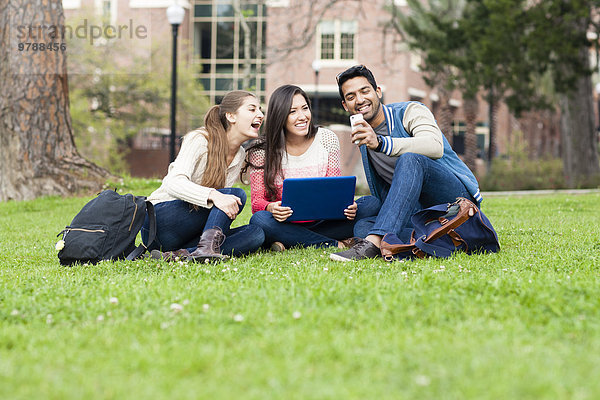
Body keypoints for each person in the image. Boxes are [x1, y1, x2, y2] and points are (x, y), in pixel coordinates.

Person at [330, 65, 483, 261]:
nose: (359, 100)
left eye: (364, 91)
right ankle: (444, 240)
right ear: (345, 105)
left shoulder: (410, 111)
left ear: (378, 92)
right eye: (351, 97)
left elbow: (434, 146)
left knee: (411, 159)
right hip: (420, 212)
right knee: (363, 224)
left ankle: (376, 242)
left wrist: (381, 143)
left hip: (455, 201)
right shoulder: (364, 135)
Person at [245, 84, 380, 250]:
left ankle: (291, 241)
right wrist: (270, 207)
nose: (302, 116)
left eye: (305, 108)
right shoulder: (261, 150)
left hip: (327, 222)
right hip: (284, 223)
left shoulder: (326, 139)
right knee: (260, 220)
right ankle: (331, 243)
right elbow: (256, 202)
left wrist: (347, 205)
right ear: (279, 115)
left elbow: (334, 188)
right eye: (292, 111)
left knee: (371, 203)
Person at [141, 90, 265, 262]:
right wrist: (213, 195)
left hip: (188, 232)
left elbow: (219, 210)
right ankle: (205, 249)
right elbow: (173, 182)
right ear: (231, 116)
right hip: (159, 223)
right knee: (236, 195)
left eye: (260, 110)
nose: (260, 114)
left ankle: (182, 254)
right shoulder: (199, 139)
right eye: (252, 109)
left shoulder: (239, 154)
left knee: (255, 234)